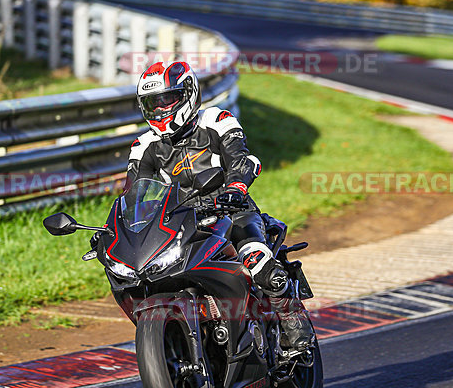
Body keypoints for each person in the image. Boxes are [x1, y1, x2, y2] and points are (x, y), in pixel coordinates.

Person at [126, 60, 313, 349]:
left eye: (168, 100)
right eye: (154, 104)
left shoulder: (216, 120)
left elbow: (241, 159)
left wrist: (236, 188)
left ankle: (291, 318)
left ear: (188, 93)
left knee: (257, 261)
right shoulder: (143, 147)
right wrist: (120, 227)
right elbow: (133, 196)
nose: (162, 110)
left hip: (232, 212)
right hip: (180, 224)